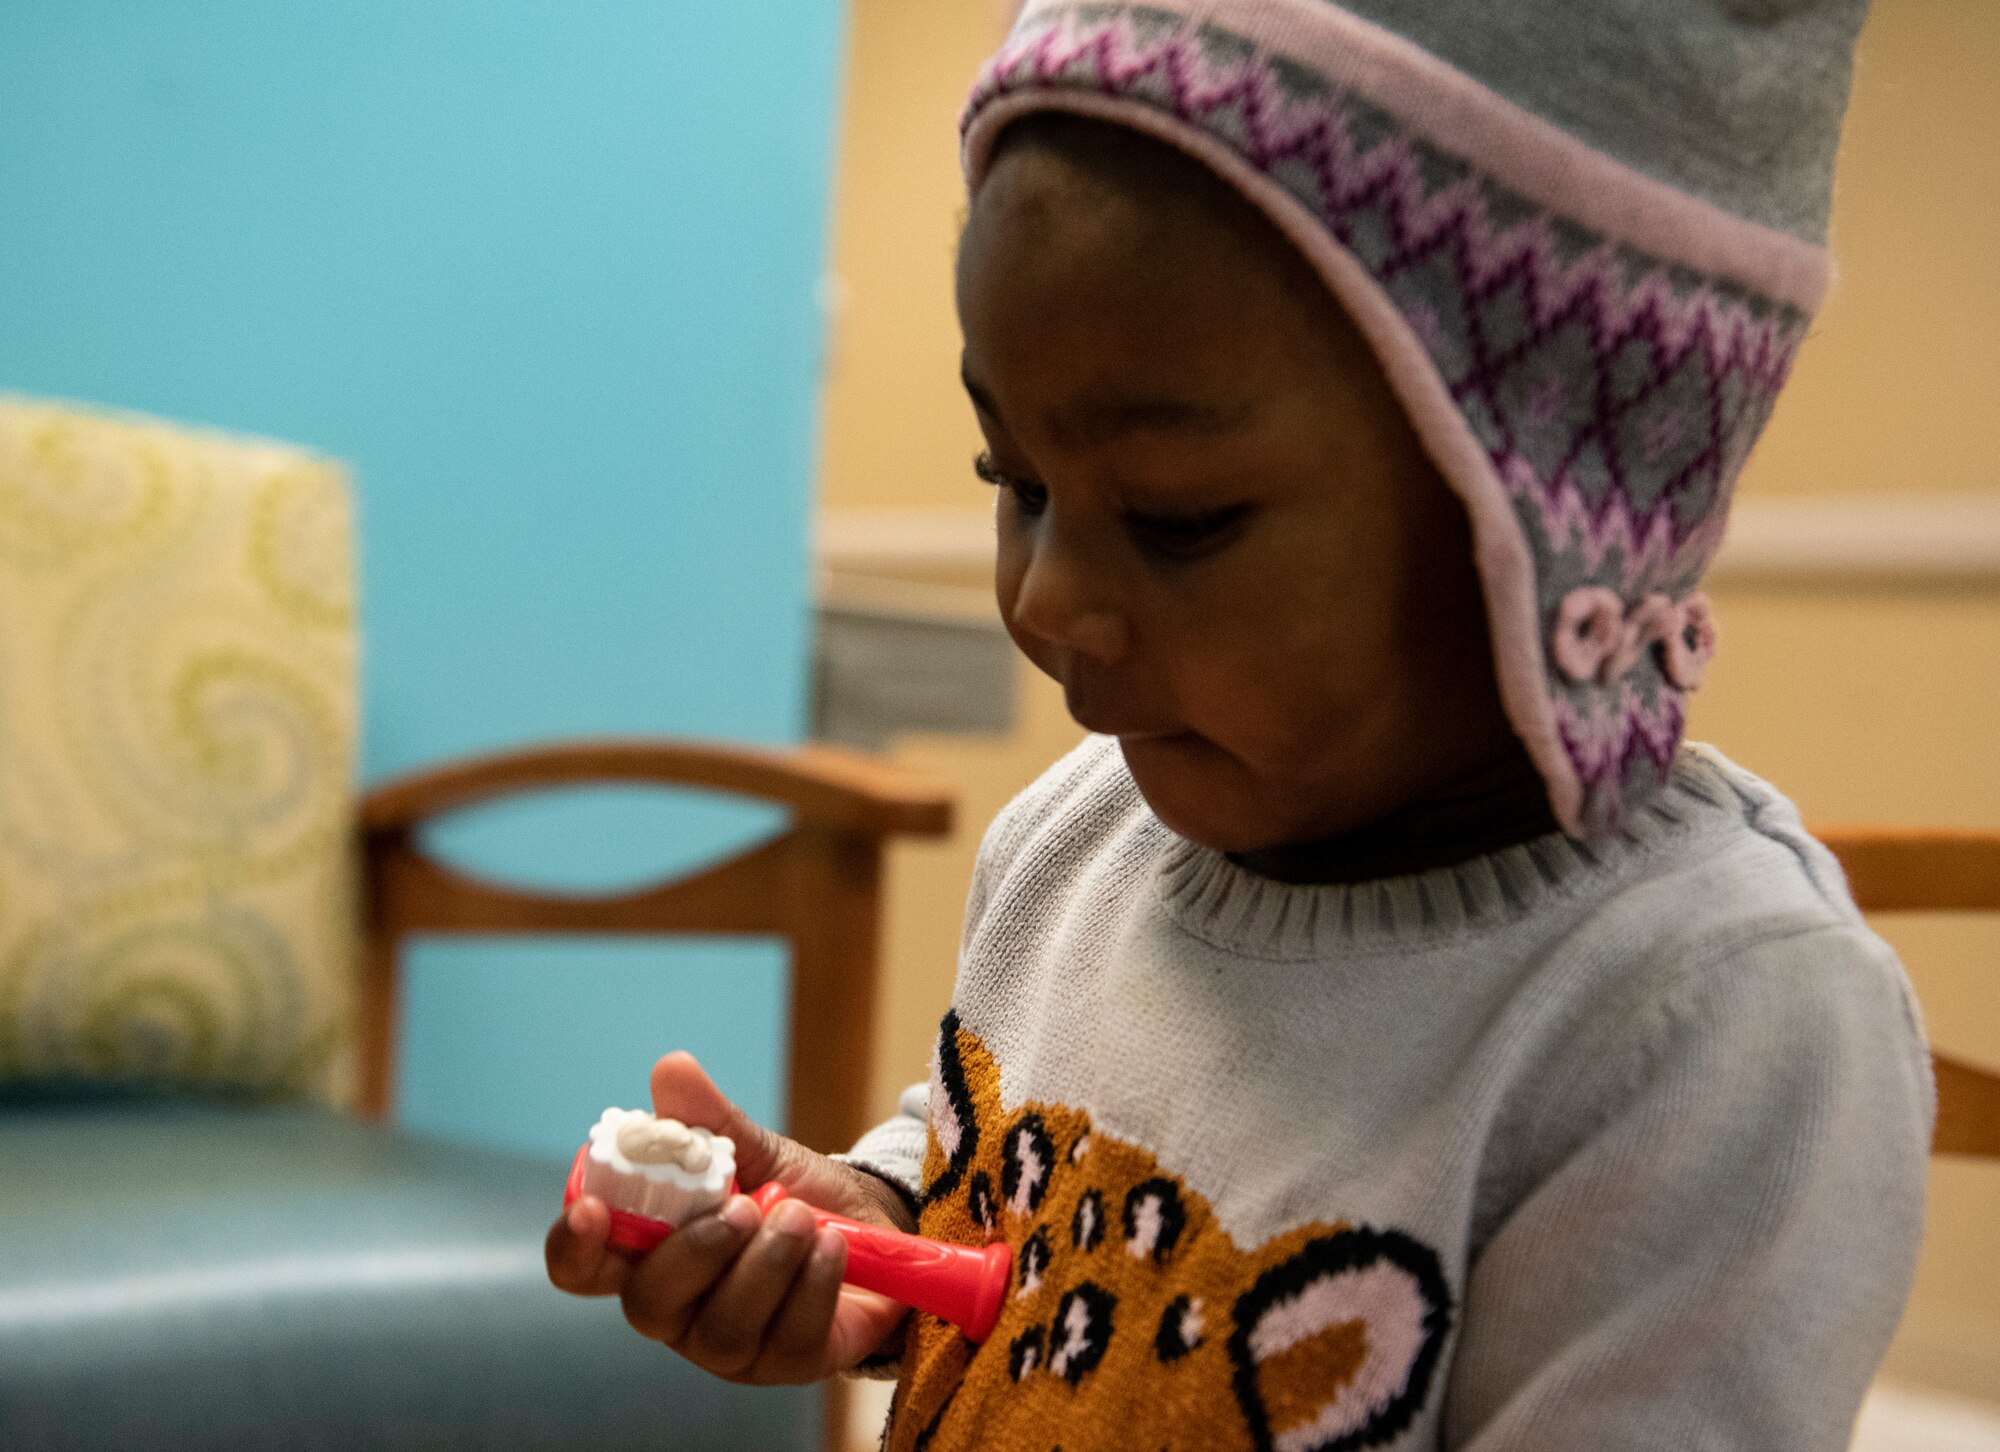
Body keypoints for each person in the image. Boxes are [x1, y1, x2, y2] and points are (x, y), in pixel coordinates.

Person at [549, 1, 1933, 1446]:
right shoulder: (1072, 838)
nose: (1046, 601)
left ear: (1550, 520)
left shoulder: (1714, 1031)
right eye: (1014, 480)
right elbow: (1021, 1180)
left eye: (1179, 517)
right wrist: (888, 1222)